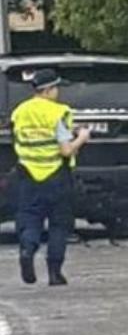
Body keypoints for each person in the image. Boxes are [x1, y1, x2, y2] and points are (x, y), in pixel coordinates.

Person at [11, 68, 90, 285]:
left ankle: (27, 250)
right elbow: (65, 150)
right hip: (56, 175)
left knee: (30, 218)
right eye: (56, 88)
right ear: (47, 90)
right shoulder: (58, 112)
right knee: (59, 224)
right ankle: (55, 273)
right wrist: (82, 137)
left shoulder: (20, 111)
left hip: (28, 174)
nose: (58, 92)